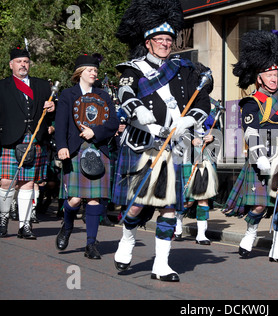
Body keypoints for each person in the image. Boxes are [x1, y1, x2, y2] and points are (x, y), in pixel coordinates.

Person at [112, 0, 211, 282]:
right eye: (160, 39)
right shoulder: (133, 69)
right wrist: (140, 112)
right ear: (148, 42)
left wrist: (188, 120)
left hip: (174, 145)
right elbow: (125, 94)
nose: (166, 44)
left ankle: (162, 264)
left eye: (169, 39)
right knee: (136, 206)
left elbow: (202, 101)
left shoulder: (184, 69)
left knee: (169, 207)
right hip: (142, 143)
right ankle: (127, 238)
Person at [222, 30, 278, 263]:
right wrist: (259, 157)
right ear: (259, 77)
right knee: (260, 206)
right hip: (263, 156)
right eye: (268, 73)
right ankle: (250, 233)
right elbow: (251, 131)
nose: (273, 77)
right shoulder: (252, 102)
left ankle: (277, 249)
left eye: (275, 72)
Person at [54, 54, 119, 259]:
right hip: (74, 150)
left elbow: (113, 123)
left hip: (98, 150)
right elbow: (61, 123)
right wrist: (61, 146)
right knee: (73, 199)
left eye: (96, 71)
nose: (94, 73)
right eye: (90, 70)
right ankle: (68, 225)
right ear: (80, 73)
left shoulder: (103, 95)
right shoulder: (68, 94)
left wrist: (95, 132)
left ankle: (91, 244)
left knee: (94, 199)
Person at [0, 48, 56, 238]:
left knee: (27, 183)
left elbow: (51, 113)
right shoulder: (2, 86)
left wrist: (52, 108)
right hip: (9, 138)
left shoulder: (42, 86)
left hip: (34, 138)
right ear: (11, 65)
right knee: (6, 182)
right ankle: (3, 218)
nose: (23, 64)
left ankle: (25, 226)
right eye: (19, 61)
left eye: (26, 61)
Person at [175, 63, 220, 244]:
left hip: (205, 156)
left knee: (203, 197)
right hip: (186, 154)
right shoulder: (184, 104)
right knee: (187, 199)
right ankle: (178, 226)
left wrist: (213, 138)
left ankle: (202, 234)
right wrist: (190, 139)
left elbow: (218, 132)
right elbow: (176, 130)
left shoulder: (215, 106)